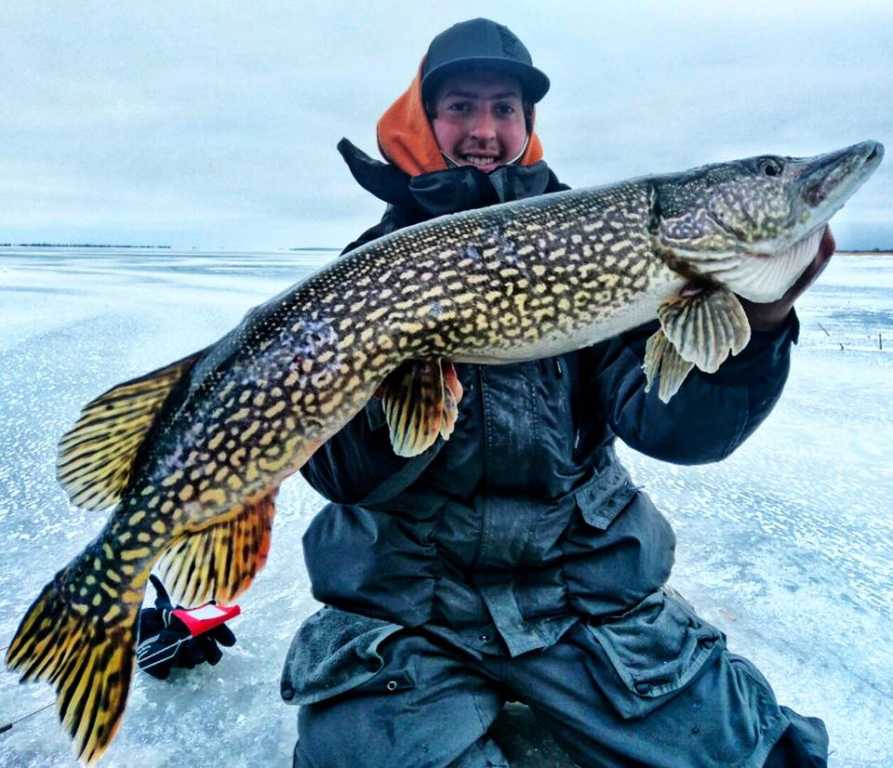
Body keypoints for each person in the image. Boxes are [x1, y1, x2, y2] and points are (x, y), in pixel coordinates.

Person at [280, 18, 832, 768]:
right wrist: (395, 382)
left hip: (577, 591)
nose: (484, 128)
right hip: (407, 600)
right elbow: (341, 475)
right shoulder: (375, 267)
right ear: (424, 117)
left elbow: (673, 430)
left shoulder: (608, 249)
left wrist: (759, 323)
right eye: (461, 107)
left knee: (754, 758)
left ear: (527, 125)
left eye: (505, 108)